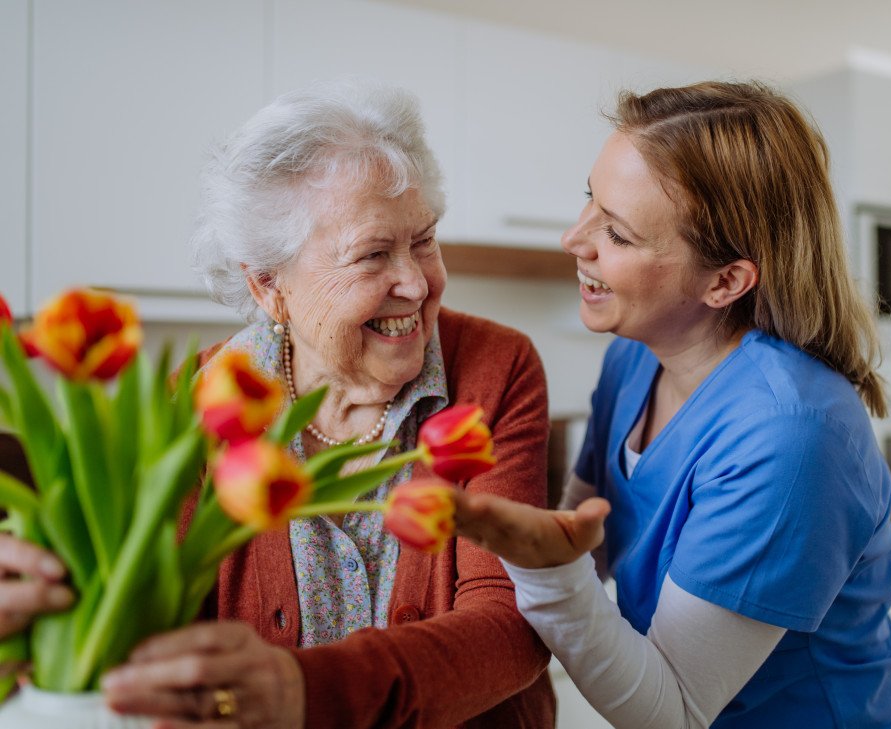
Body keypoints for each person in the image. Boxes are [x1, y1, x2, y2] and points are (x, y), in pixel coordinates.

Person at [0, 81, 555, 728]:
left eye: (424, 240)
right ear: (268, 286)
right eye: (373, 254)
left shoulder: (496, 367)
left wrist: (302, 687)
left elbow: (512, 623)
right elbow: (145, 612)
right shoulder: (203, 401)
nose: (415, 281)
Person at [454, 81, 891, 728]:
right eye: (588, 198)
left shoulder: (788, 436)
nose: (574, 237)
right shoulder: (634, 357)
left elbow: (673, 711)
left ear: (725, 281)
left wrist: (547, 569)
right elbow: (581, 539)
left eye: (617, 234)